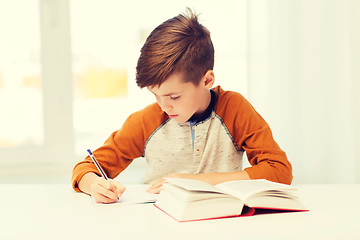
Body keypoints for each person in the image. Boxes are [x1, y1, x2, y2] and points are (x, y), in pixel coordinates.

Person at [72, 8, 292, 203]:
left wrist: (196, 182)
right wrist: (94, 186)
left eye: (174, 97)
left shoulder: (234, 109)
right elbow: (85, 169)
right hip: (156, 220)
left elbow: (279, 170)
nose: (164, 106)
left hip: (224, 221)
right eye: (155, 95)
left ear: (207, 80)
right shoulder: (147, 120)